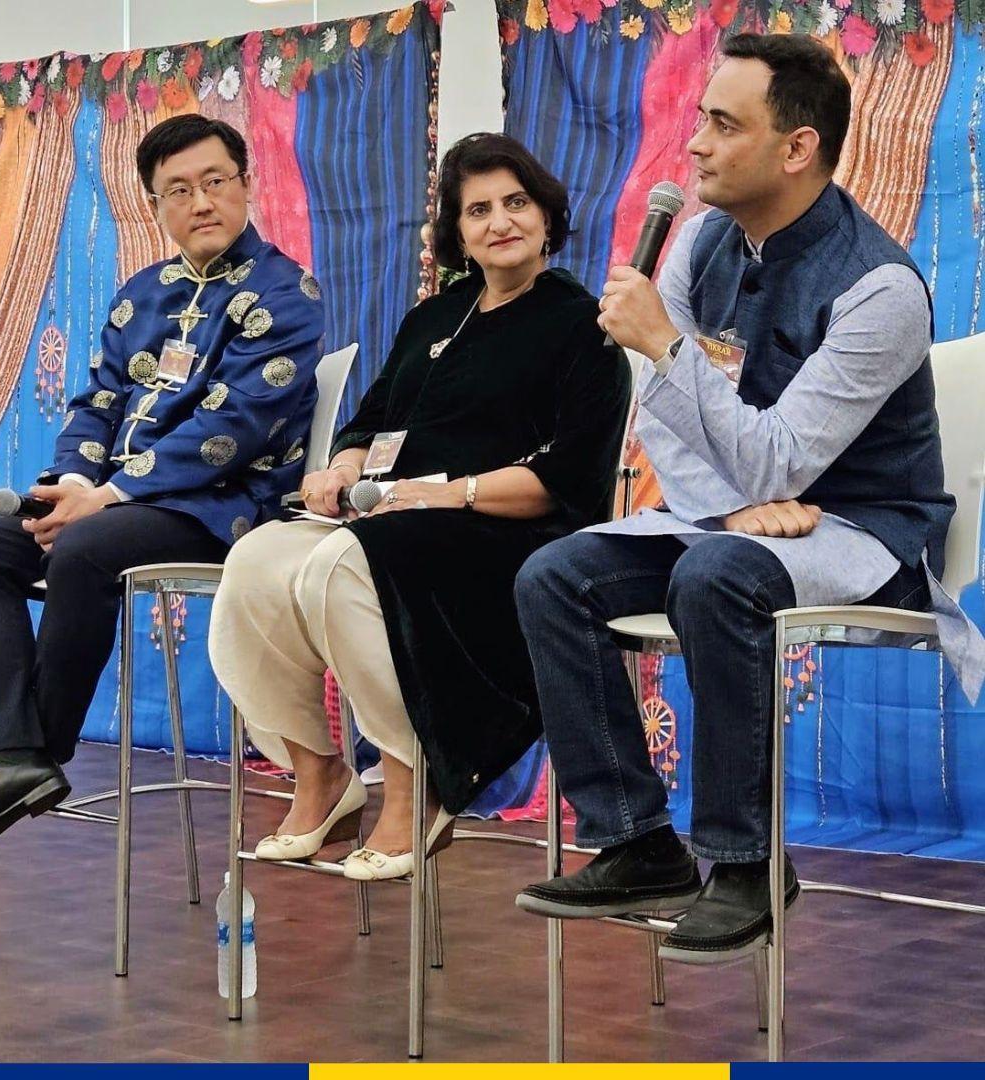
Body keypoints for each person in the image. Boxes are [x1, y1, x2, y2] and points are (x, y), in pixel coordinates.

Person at [514, 33, 985, 963]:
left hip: (860, 536)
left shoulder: (881, 287)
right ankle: (639, 842)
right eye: (700, 119)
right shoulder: (702, 240)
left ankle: (745, 863)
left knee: (719, 579)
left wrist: (667, 349)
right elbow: (672, 425)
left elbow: (780, 462)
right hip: (736, 521)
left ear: (796, 148)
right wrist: (725, 508)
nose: (694, 146)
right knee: (554, 574)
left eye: (724, 126)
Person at [208, 132, 630, 880]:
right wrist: (340, 463)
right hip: (394, 518)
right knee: (256, 562)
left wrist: (445, 494)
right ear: (457, 232)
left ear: (546, 215)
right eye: (478, 210)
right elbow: (372, 419)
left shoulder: (582, 326)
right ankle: (320, 776)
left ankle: (413, 780)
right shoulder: (435, 317)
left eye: (515, 202)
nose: (499, 221)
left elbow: (572, 483)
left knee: (341, 564)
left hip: (512, 536)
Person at [0, 115, 324, 859]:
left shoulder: (284, 294)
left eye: (214, 183)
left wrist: (101, 501)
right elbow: (99, 401)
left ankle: (36, 755)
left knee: (89, 547)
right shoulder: (143, 294)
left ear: (246, 186)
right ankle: (8, 753)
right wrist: (70, 483)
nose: (200, 203)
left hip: (220, 511)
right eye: (178, 191)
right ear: (156, 207)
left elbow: (231, 430)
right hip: (110, 506)